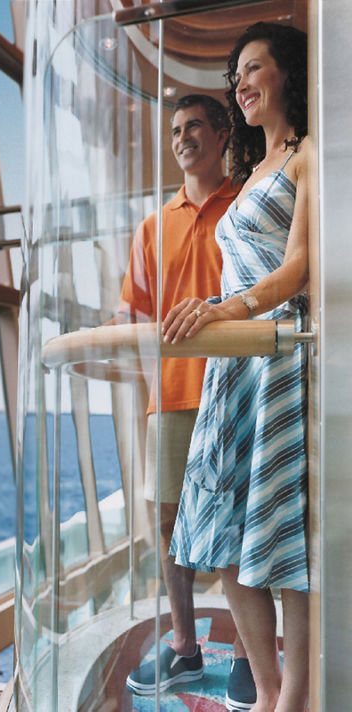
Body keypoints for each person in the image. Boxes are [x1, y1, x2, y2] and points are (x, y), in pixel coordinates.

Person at [162, 21, 312, 712]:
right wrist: (218, 316)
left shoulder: (311, 158)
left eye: (255, 68)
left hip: (277, 357)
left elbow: (303, 268)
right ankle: (271, 687)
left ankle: (294, 699)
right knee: (221, 531)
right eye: (237, 74)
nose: (243, 84)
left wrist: (227, 310)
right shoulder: (251, 171)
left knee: (282, 539)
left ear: (287, 73)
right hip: (233, 363)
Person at [116, 94, 250, 700]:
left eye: (194, 125)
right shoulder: (153, 226)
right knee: (171, 522)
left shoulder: (245, 205)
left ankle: (248, 654)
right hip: (169, 397)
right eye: (175, 130)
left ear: (223, 135)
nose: (182, 137)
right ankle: (185, 648)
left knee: (240, 523)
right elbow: (132, 313)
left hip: (236, 388)